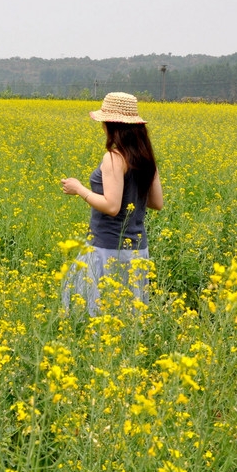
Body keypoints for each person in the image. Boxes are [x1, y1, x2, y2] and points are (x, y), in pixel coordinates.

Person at [60, 92, 163, 315]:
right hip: (137, 251)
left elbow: (111, 206)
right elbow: (157, 203)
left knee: (97, 317)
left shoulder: (114, 157)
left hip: (107, 250)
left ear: (112, 125)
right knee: (127, 319)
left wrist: (79, 189)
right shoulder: (146, 157)